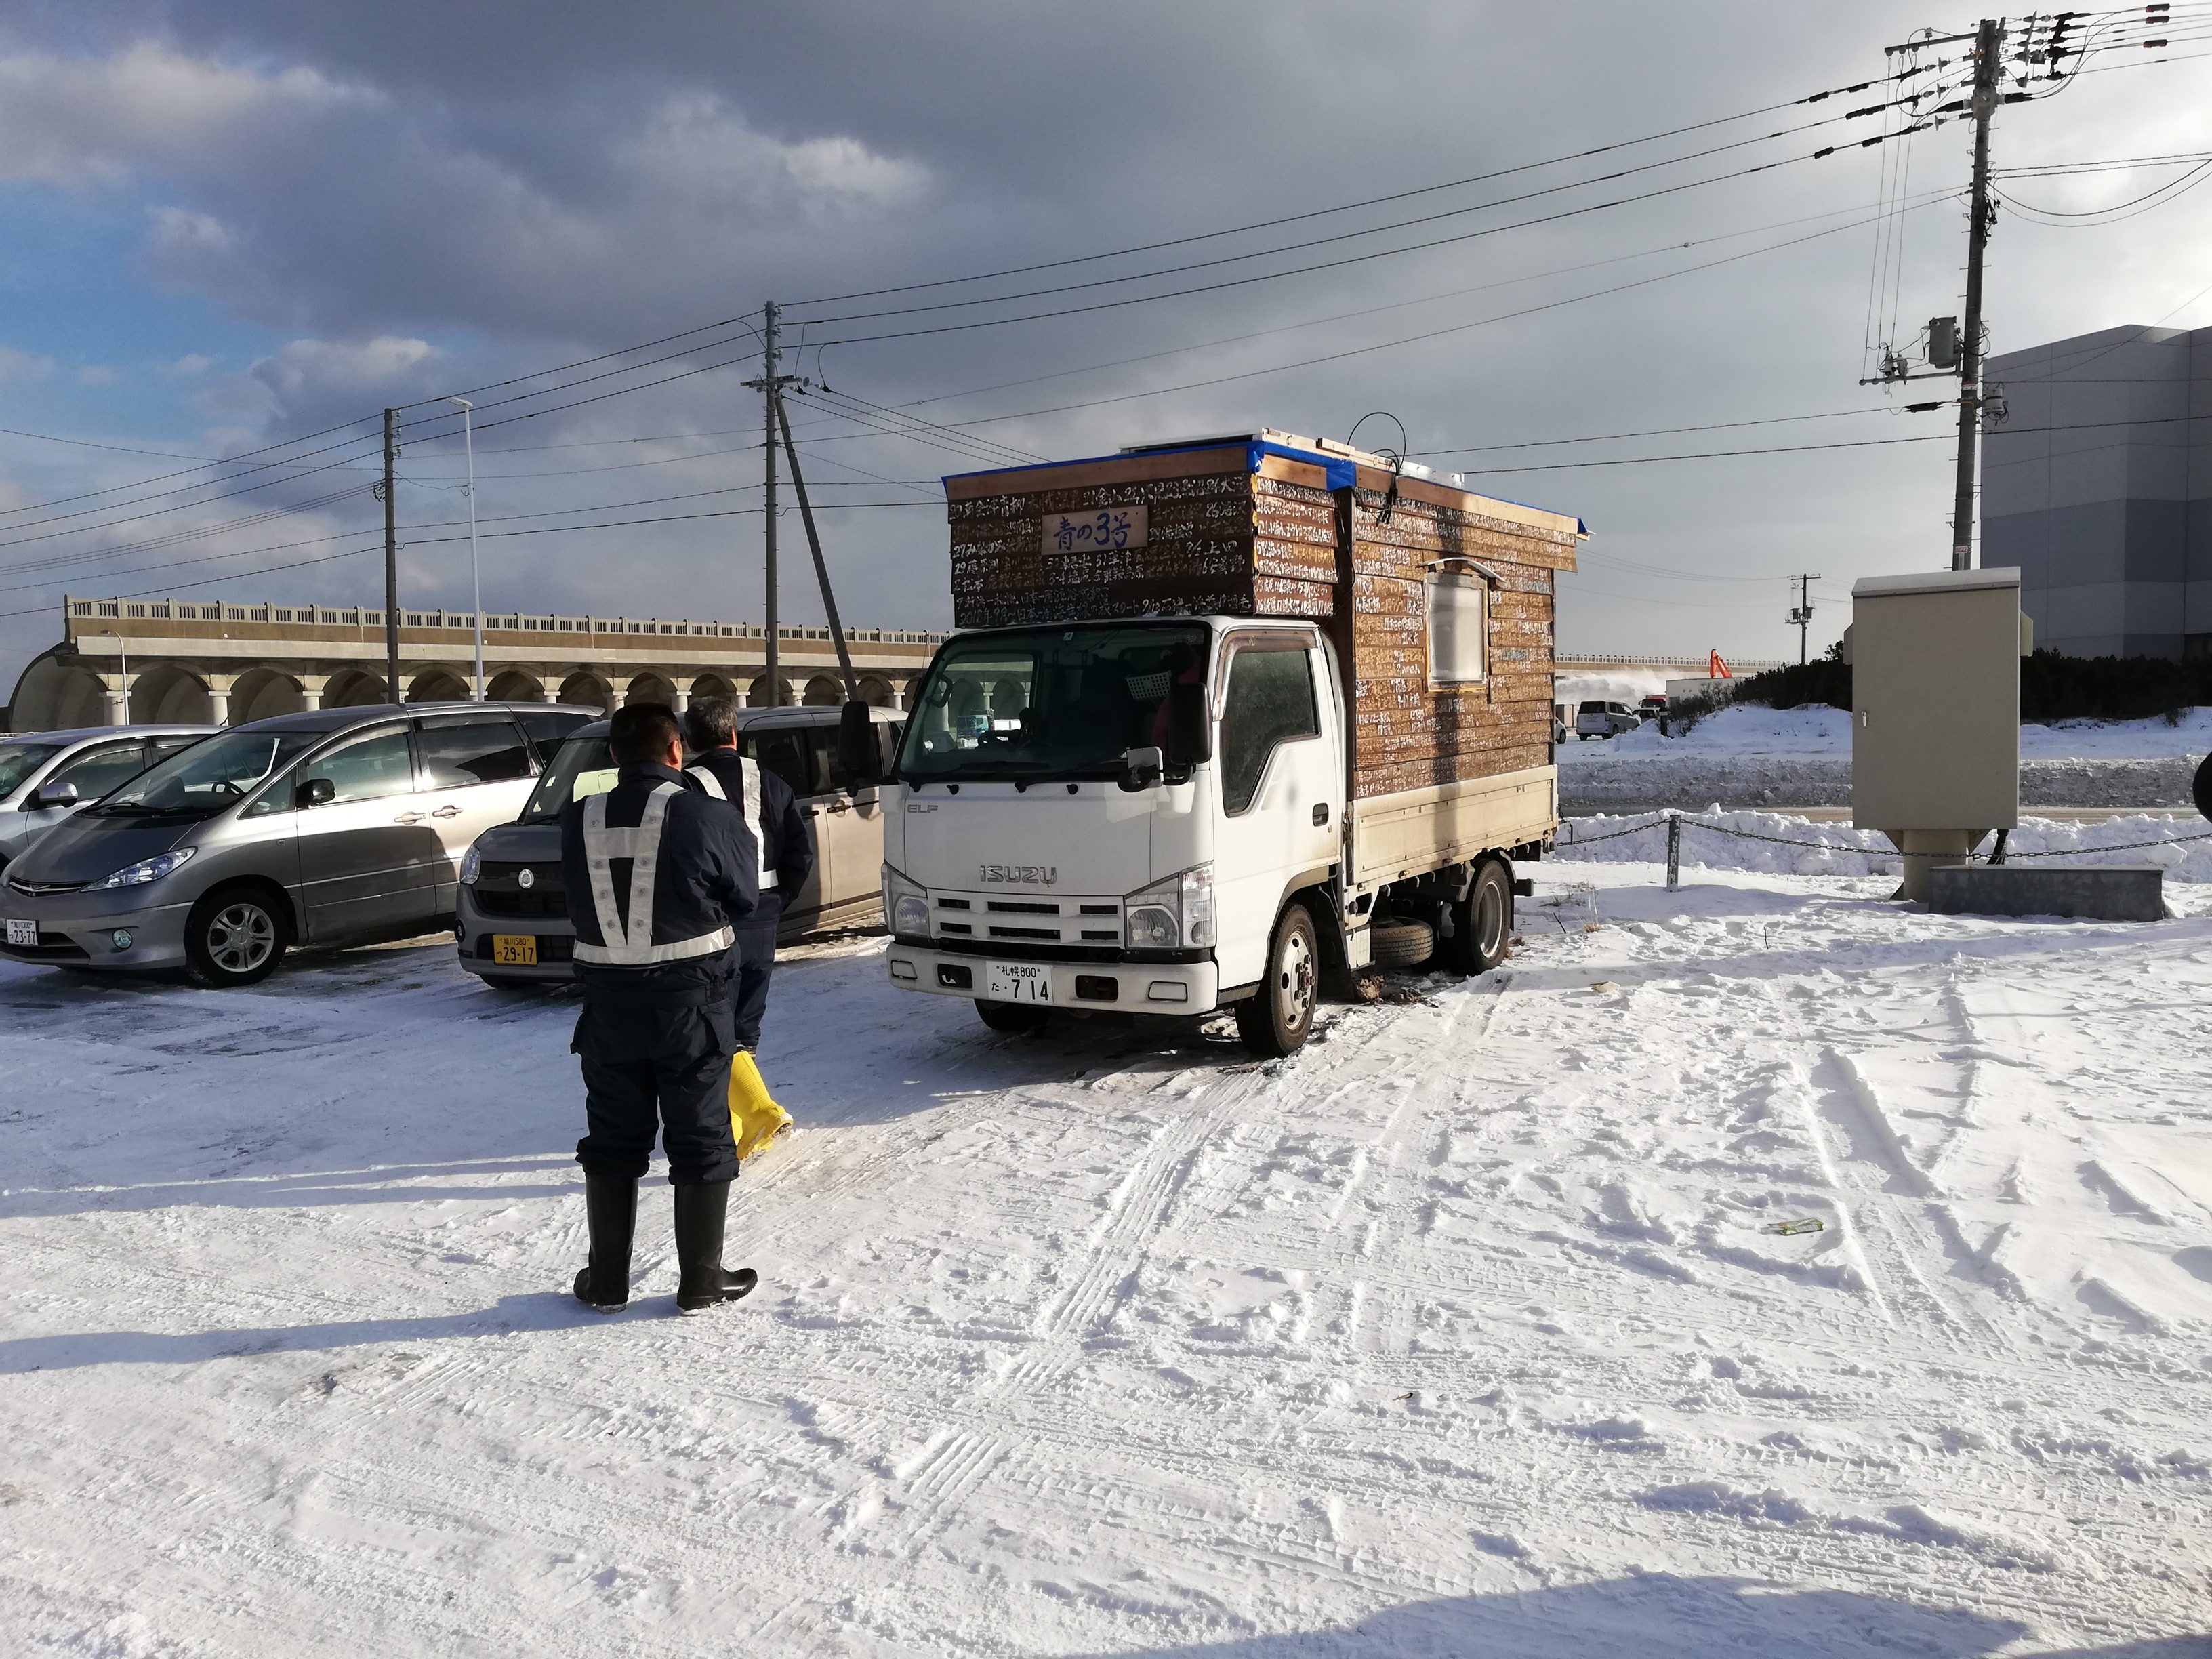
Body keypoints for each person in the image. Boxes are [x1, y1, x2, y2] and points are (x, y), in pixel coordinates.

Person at [562, 701, 760, 1316]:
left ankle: (607, 1281)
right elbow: (745, 897)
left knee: (613, 1137)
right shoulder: (706, 813)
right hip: (691, 1006)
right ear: (677, 750)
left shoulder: (577, 817)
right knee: (699, 1135)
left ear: (613, 754)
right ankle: (701, 1280)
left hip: (608, 1007)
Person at [680, 695, 814, 1151]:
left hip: (711, 922)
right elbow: (800, 852)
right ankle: (748, 1115)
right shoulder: (771, 781)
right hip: (763, 915)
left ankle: (740, 1122)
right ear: (735, 735)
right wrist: (777, 902)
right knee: (746, 1022)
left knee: (712, 1022)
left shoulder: (685, 788)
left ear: (689, 741)